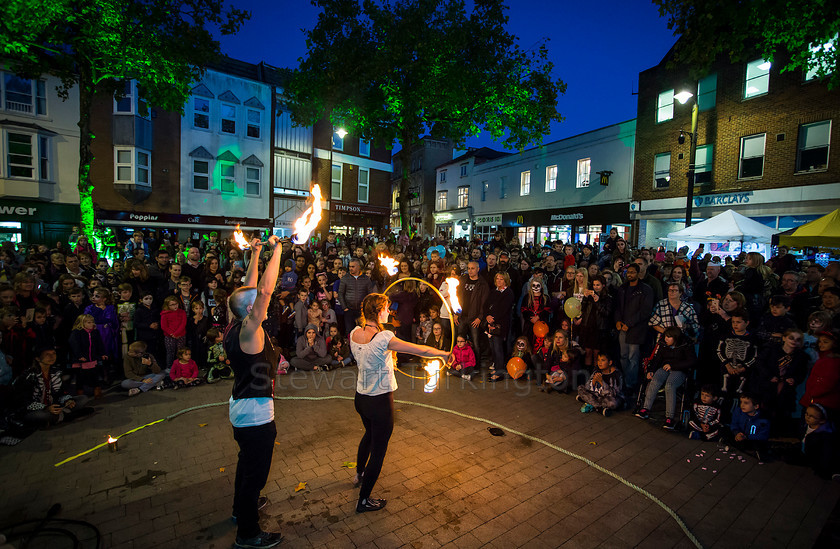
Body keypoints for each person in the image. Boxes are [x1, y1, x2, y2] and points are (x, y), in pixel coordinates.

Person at [349, 293, 450, 513]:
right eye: (386, 308)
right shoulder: (384, 337)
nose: (389, 311)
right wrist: (442, 353)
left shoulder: (354, 333)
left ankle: (359, 474)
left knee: (369, 435)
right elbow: (419, 349)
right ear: (378, 311)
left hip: (361, 398)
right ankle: (363, 500)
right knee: (378, 450)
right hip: (380, 402)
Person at [223, 235, 284, 548]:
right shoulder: (249, 328)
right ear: (250, 307)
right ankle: (248, 533)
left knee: (246, 463)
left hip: (241, 404)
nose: (262, 300)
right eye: (256, 300)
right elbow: (264, 290)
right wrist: (278, 250)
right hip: (255, 412)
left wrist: (256, 252)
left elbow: (249, 288)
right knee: (255, 475)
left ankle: (239, 510)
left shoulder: (234, 321)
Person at [635, 326, 696, 429]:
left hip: (679, 370)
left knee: (670, 385)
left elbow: (692, 361)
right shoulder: (663, 344)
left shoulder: (685, 344)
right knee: (655, 380)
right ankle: (645, 409)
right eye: (665, 336)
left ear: (675, 338)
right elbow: (657, 358)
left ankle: (669, 418)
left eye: (669, 337)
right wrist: (651, 370)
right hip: (664, 367)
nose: (666, 339)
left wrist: (673, 366)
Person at [614, 263, 654, 394]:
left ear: (638, 273)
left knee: (633, 357)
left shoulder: (645, 289)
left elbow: (645, 310)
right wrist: (618, 321)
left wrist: (629, 323)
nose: (629, 274)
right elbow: (618, 307)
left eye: (632, 272)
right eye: (628, 272)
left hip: (636, 328)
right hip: (622, 327)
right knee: (623, 355)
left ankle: (630, 384)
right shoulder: (623, 288)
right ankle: (625, 380)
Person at [576, 352, 624, 416]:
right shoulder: (597, 370)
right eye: (598, 360)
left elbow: (614, 394)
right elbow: (587, 387)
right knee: (580, 389)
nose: (600, 363)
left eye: (603, 360)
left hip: (608, 398)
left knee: (612, 403)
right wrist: (593, 382)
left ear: (610, 362)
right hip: (597, 396)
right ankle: (598, 407)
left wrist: (602, 383)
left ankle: (590, 402)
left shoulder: (616, 375)